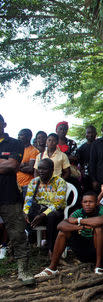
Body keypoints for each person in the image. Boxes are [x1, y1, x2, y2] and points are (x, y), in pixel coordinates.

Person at [34, 191, 103, 277]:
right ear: (82, 203)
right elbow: (61, 225)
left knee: (99, 228)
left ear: (97, 203)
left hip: (101, 250)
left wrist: (78, 221)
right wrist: (82, 227)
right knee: (63, 232)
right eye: (85, 202)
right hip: (83, 249)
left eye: (91, 202)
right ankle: (52, 268)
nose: (88, 204)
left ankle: (99, 266)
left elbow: (102, 220)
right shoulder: (78, 212)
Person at [0, 114, 34, 285]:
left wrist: (8, 164)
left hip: (9, 197)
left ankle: (24, 270)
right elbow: (6, 165)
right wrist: (3, 163)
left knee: (18, 233)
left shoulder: (15, 143)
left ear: (4, 124)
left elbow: (13, 165)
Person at [24, 158, 67, 253]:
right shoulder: (34, 182)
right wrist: (25, 212)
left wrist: (43, 214)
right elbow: (28, 199)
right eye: (39, 168)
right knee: (21, 216)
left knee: (51, 216)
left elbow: (58, 203)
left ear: (52, 170)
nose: (41, 171)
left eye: (44, 169)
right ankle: (26, 246)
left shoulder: (60, 182)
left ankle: (52, 249)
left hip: (55, 211)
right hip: (39, 209)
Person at [17, 129, 40, 198]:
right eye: (18, 135)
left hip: (27, 185)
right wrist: (23, 165)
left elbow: (30, 169)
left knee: (26, 207)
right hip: (16, 184)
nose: (18, 137)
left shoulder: (34, 151)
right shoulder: (17, 149)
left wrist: (16, 167)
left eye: (21, 135)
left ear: (29, 137)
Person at [76, 125, 97, 192]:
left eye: (92, 132)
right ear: (85, 134)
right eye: (88, 133)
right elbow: (80, 163)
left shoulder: (100, 145)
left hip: (99, 174)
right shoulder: (81, 148)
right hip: (86, 176)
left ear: (96, 133)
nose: (90, 135)